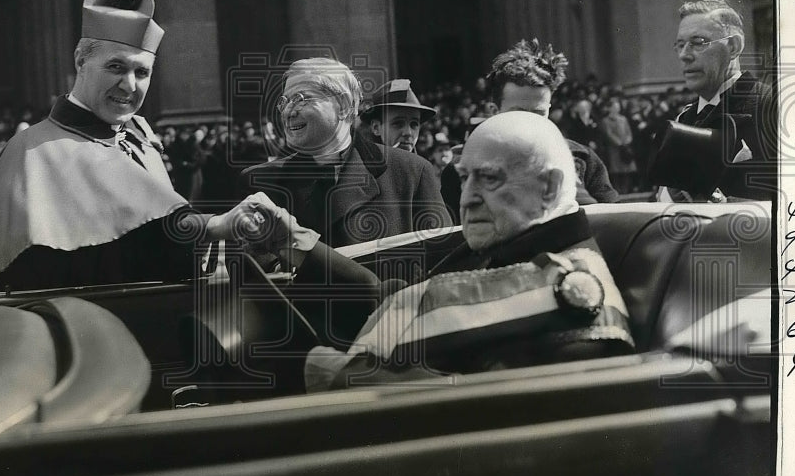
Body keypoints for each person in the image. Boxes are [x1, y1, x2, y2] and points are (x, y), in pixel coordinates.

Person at [0, 0, 271, 300]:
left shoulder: (141, 142)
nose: (129, 85)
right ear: (80, 61)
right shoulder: (34, 151)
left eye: (142, 72)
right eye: (116, 67)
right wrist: (213, 226)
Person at [243, 112, 635, 391]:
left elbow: (486, 416)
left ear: (549, 187)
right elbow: (397, 299)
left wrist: (335, 373)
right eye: (464, 178)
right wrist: (294, 241)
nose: (467, 199)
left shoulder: (577, 298)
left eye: (489, 178)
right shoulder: (508, 244)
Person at [241, 58, 452, 259]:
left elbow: (444, 266)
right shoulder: (260, 183)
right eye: (284, 102)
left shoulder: (412, 172)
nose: (288, 111)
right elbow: (252, 281)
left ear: (342, 106)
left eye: (300, 99)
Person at [656, 0, 776, 201]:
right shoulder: (683, 120)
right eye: (680, 44)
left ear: (733, 47)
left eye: (698, 42)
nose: (684, 55)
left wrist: (724, 206)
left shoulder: (772, 105)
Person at [488, 39, 618, 204]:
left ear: (548, 109)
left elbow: (611, 216)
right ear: (495, 112)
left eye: (538, 113)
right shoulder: (466, 167)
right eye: (518, 113)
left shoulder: (582, 158)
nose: (530, 122)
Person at [358, 78, 437, 153]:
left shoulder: (424, 166)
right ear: (376, 127)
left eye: (414, 124)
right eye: (398, 123)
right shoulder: (361, 165)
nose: (408, 133)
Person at [599, 99, 637, 194]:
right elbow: (608, 134)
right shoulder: (605, 121)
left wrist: (627, 140)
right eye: (615, 107)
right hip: (614, 149)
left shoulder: (623, 119)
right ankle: (617, 189)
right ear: (610, 108)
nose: (617, 109)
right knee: (616, 170)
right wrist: (619, 143)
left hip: (625, 147)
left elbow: (629, 132)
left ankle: (626, 189)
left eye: (618, 107)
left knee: (627, 169)